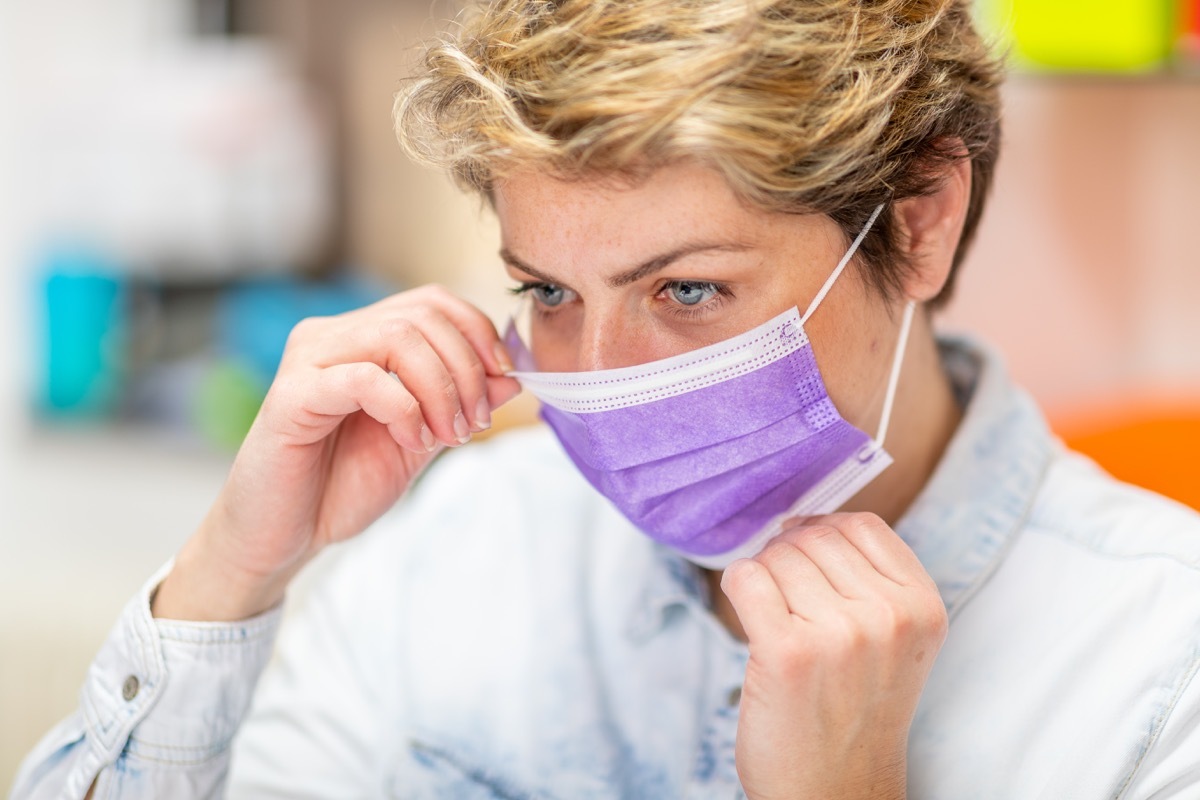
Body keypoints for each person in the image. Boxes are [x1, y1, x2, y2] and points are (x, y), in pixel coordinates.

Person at [13, 0, 1200, 797]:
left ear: (921, 219)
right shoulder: (464, 547)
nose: (601, 378)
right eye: (548, 291)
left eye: (687, 288)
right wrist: (230, 570)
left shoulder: (1156, 666)